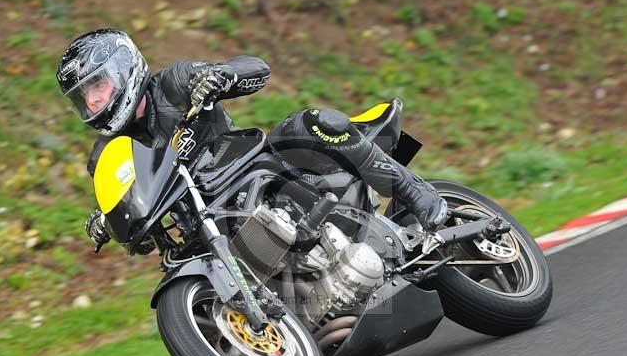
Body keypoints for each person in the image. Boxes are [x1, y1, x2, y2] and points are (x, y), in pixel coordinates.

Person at [56, 29, 447, 251]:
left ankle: (416, 193)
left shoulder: (172, 84)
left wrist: (221, 76)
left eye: (97, 85)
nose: (93, 101)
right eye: (83, 96)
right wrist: (109, 221)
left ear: (123, 69)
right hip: (209, 223)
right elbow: (137, 228)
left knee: (311, 123)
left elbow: (256, 68)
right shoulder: (107, 155)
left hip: (255, 172)